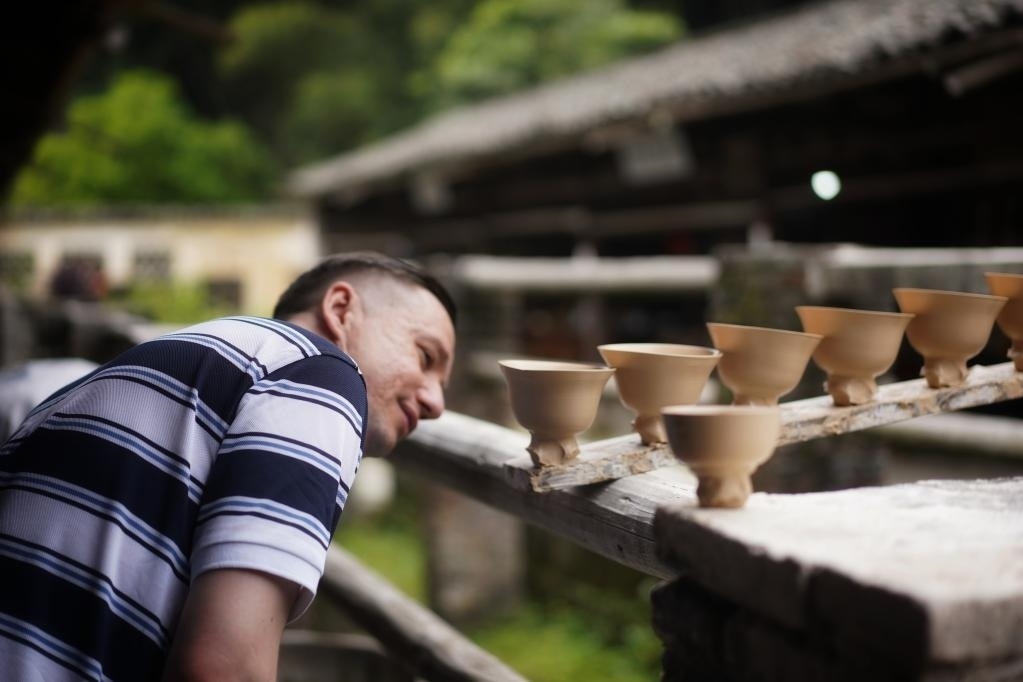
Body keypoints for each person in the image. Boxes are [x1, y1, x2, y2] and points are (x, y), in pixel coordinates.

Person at [0, 251, 456, 681]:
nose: (436, 403)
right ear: (341, 309)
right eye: (425, 356)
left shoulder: (198, 357)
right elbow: (225, 669)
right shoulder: (321, 374)